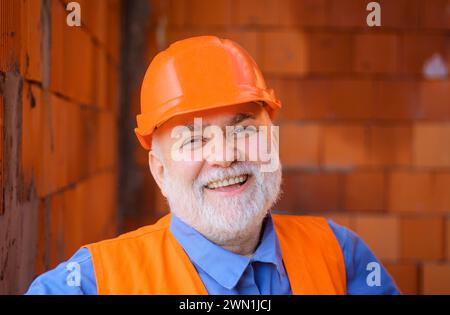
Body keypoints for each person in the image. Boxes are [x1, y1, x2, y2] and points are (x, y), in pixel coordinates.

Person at [26, 36, 399, 295]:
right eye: (194, 139)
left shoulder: (339, 254)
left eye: (243, 130)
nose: (224, 156)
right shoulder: (97, 282)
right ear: (159, 172)